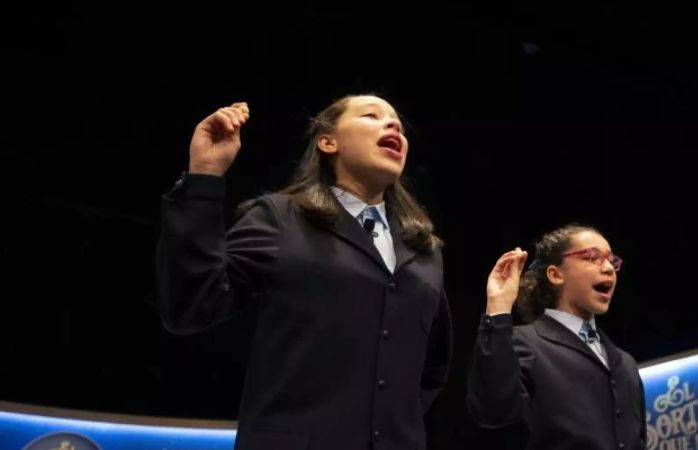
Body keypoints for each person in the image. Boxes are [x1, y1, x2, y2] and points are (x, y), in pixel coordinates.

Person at [156, 95, 452, 449]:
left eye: (398, 124)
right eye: (372, 116)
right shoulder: (281, 218)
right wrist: (204, 176)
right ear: (328, 142)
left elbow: (431, 367)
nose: (393, 126)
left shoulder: (424, 251)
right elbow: (191, 305)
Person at [466, 224, 646, 449]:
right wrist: (499, 305)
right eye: (592, 257)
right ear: (555, 274)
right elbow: (492, 410)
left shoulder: (625, 363)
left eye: (612, 260)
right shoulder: (523, 343)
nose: (609, 268)